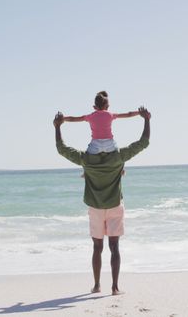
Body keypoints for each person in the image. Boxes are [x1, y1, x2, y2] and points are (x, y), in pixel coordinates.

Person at [53, 106, 151, 295]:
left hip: (95, 207)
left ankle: (97, 285)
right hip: (115, 205)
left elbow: (61, 149)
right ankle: (114, 287)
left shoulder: (86, 160)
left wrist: (58, 127)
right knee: (114, 247)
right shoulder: (119, 157)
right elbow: (143, 142)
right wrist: (146, 119)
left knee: (97, 247)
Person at [63, 91, 140, 154]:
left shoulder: (90, 116)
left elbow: (73, 118)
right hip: (109, 144)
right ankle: (121, 169)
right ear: (107, 106)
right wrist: (139, 112)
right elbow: (128, 114)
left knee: (86, 159)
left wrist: (63, 118)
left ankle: (86, 172)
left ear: (94, 107)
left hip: (95, 145)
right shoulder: (110, 115)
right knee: (119, 156)